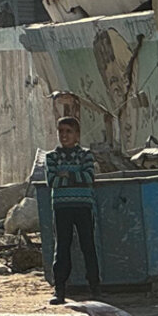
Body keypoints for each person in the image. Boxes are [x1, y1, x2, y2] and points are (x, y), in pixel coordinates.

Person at [46, 116, 103, 305]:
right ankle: (59, 289)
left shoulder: (86, 155)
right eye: (61, 131)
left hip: (83, 206)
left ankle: (95, 287)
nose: (64, 135)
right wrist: (75, 176)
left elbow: (88, 177)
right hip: (61, 207)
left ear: (77, 135)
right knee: (62, 247)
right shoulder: (51, 157)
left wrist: (67, 175)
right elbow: (52, 181)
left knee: (88, 246)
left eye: (68, 131)